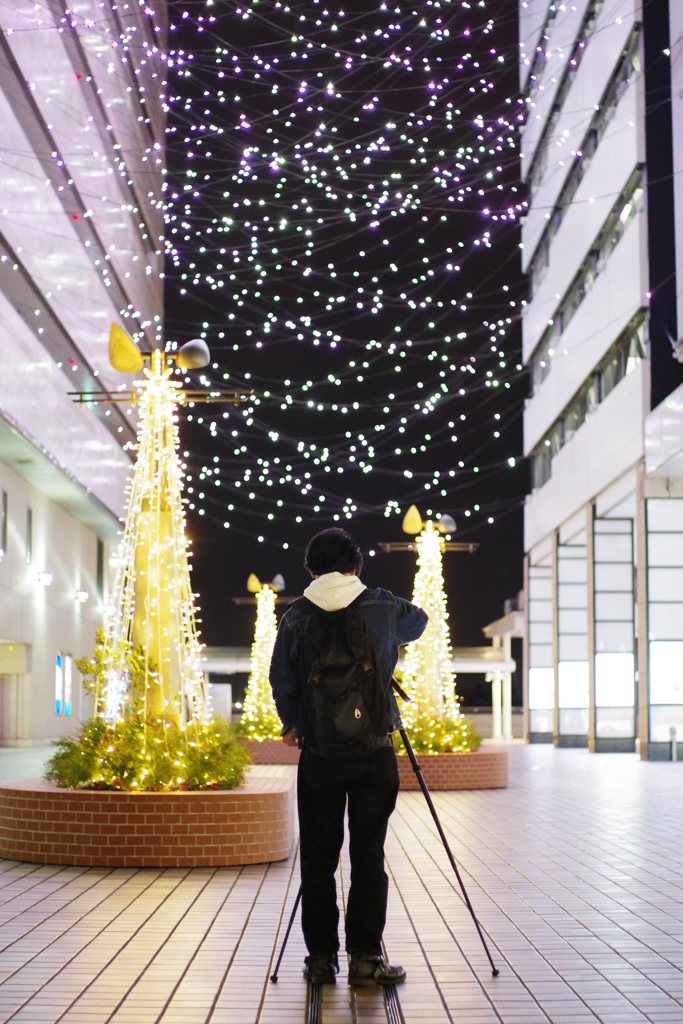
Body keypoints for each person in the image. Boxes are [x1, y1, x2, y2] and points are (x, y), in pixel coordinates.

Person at [269, 527, 428, 987]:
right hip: (374, 750)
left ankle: (320, 959)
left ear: (311, 570)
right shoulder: (380, 603)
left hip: (318, 754)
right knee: (368, 853)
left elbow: (283, 680)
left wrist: (291, 725)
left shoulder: (296, 615)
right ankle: (365, 959)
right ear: (355, 565)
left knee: (319, 858)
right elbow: (419, 622)